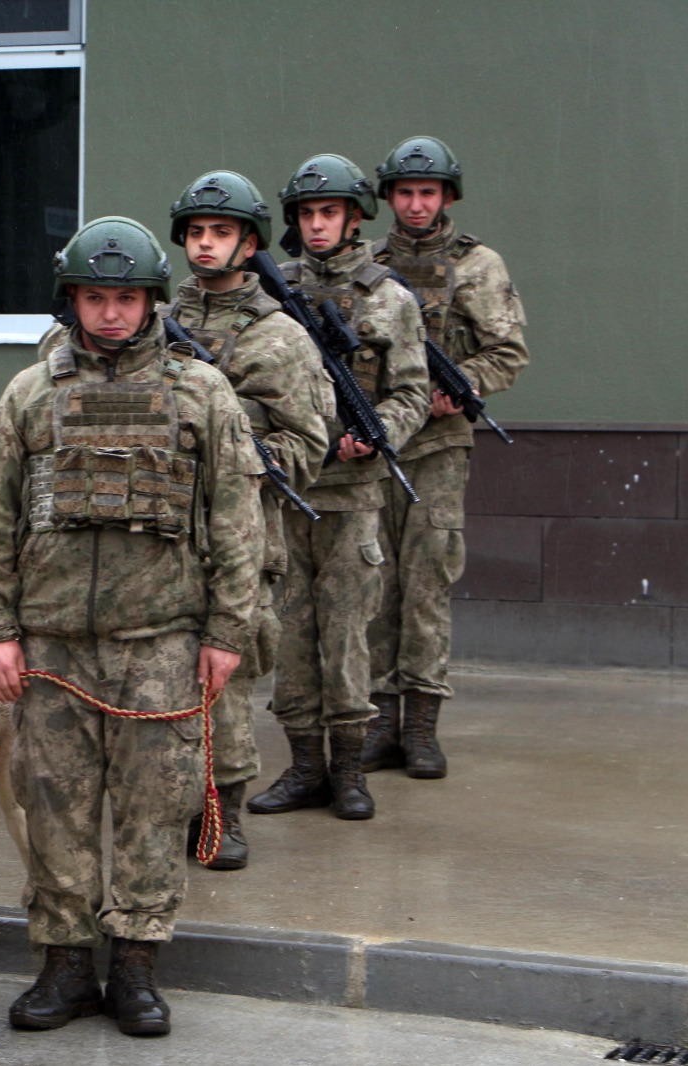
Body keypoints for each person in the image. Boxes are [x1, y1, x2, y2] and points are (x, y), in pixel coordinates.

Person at [0, 217, 263, 1036]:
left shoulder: (202, 395)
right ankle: (64, 965)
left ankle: (135, 966)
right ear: (71, 301)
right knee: (53, 806)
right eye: (94, 298)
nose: (110, 314)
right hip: (53, 646)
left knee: (152, 810)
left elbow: (239, 521)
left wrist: (226, 633)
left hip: (161, 643)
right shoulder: (28, 396)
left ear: (151, 302)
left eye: (125, 299)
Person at [246, 154, 429, 822]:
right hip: (288, 488)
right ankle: (303, 767)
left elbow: (412, 390)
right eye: (306, 214)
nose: (317, 225)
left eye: (329, 213)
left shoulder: (389, 298)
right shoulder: (268, 295)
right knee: (290, 633)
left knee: (348, 636)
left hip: (352, 494)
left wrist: (376, 433)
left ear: (355, 217)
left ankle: (350, 769)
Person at [166, 171, 333, 868]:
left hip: (238, 533)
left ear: (250, 242)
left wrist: (246, 458)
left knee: (226, 681)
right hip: (160, 529)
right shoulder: (151, 317)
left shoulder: (279, 336)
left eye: (222, 233)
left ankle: (224, 814)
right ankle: (166, 807)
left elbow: (309, 442)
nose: (207, 246)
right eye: (198, 233)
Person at [364, 136, 529, 779]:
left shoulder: (477, 265)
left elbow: (508, 351)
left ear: (447, 197)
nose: (414, 204)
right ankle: (377, 723)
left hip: (438, 445)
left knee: (427, 583)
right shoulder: (368, 266)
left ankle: (422, 727)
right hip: (375, 443)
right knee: (375, 585)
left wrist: (453, 390)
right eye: (404, 193)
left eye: (426, 193)